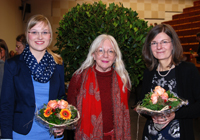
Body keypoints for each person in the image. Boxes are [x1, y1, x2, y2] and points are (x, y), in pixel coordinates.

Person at [0, 14, 66, 139]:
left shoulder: (58, 64)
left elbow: (61, 99)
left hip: (52, 135)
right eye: (34, 32)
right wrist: (6, 137)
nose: (40, 37)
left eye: (44, 32)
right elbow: (6, 106)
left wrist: (62, 121)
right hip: (22, 135)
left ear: (50, 36)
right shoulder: (13, 65)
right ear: (27, 35)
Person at [139, 24, 200, 140]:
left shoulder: (188, 70)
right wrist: (151, 113)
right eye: (154, 43)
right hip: (151, 135)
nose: (159, 47)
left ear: (173, 44)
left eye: (164, 42)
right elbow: (142, 103)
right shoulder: (149, 73)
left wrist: (175, 115)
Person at [67, 34, 132, 140]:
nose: (105, 55)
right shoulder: (79, 78)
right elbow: (70, 113)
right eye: (100, 50)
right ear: (93, 54)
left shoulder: (124, 80)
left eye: (110, 51)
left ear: (115, 56)